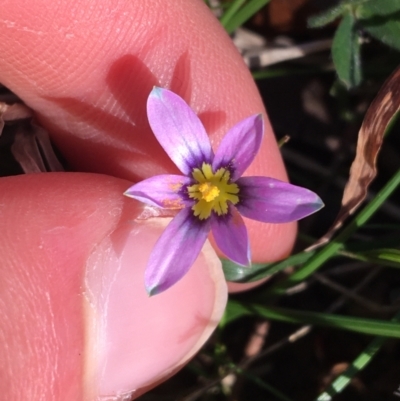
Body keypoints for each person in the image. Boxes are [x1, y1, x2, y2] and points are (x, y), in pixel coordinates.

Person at [0, 1, 297, 399]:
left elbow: (274, 200)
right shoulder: (200, 188)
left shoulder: (223, 204)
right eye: (209, 189)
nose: (208, 191)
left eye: (212, 191)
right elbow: (163, 111)